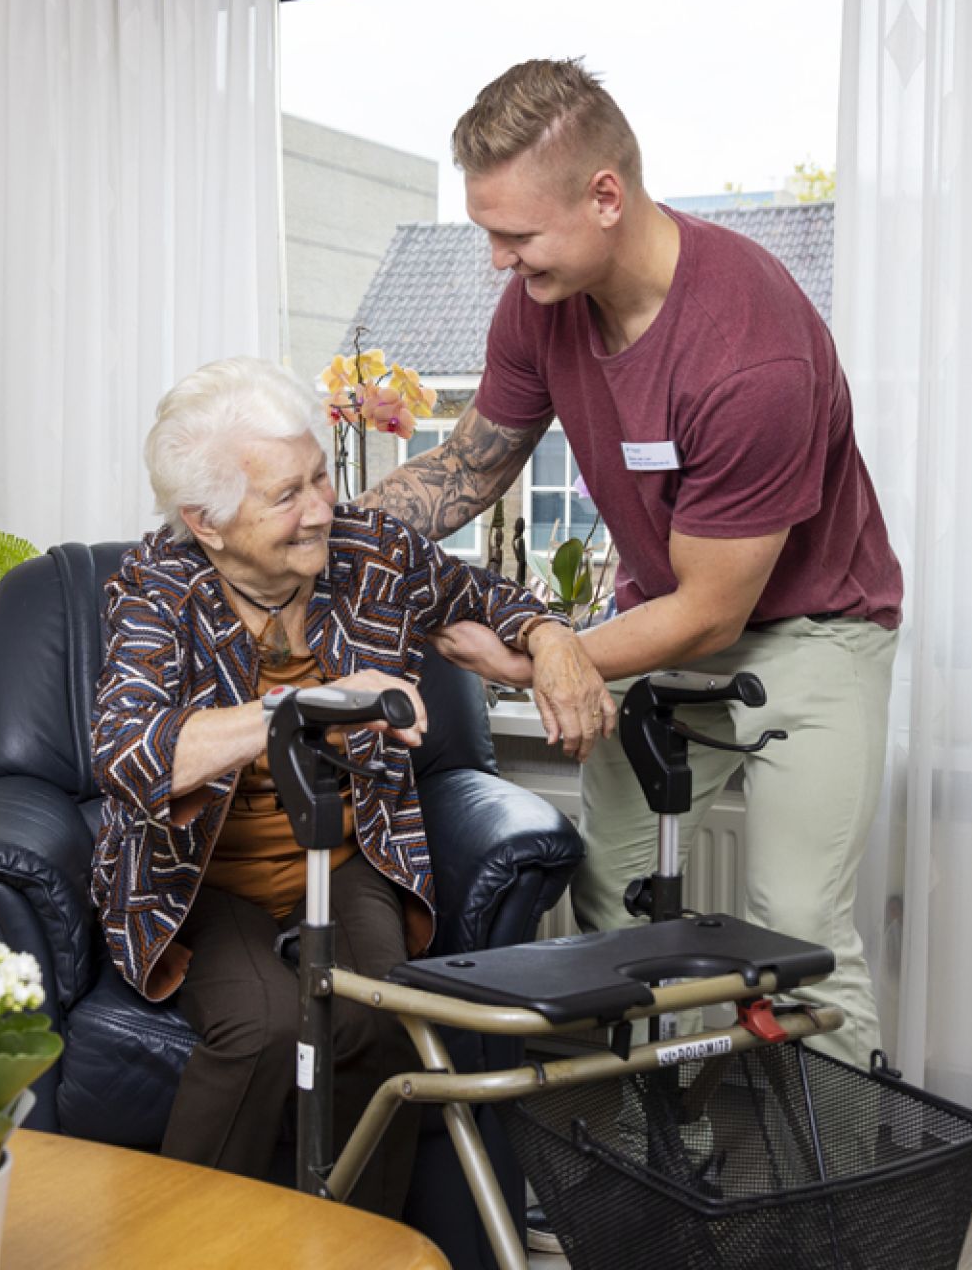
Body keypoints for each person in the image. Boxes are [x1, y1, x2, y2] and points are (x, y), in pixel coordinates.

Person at [364, 59, 902, 1066]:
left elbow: (712, 611)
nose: (495, 259)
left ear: (604, 195)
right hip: (658, 608)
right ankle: (628, 1171)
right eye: (489, 232)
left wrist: (550, 652)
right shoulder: (539, 302)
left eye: (516, 234)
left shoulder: (751, 351)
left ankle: (840, 1216)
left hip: (812, 631)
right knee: (609, 896)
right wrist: (334, 530)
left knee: (797, 927)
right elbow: (469, 468)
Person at [89, 356, 601, 1214]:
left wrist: (552, 640)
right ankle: (183, 1246)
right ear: (205, 523)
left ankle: (351, 1246)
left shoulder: (371, 552)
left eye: (320, 477)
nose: (323, 509)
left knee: (379, 1017)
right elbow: (131, 753)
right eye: (286, 495)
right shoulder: (155, 587)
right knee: (260, 1030)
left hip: (348, 850)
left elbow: (493, 598)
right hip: (203, 877)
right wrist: (322, 703)